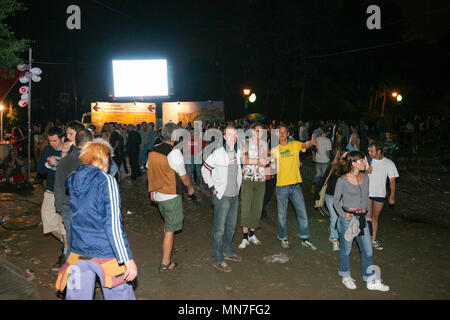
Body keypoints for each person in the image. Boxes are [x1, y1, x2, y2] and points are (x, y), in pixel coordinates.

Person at [56, 139, 137, 299]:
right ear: (104, 159)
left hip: (78, 253)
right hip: (105, 253)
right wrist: (126, 258)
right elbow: (112, 224)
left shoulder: (73, 179)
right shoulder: (107, 181)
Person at [333, 151, 389, 291]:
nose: (365, 163)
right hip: (349, 220)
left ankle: (371, 280)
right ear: (353, 163)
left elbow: (366, 198)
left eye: (364, 160)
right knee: (346, 250)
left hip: (362, 219)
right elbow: (335, 201)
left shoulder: (365, 177)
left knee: (368, 250)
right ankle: (345, 276)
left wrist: (368, 214)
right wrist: (342, 214)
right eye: (362, 161)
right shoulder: (343, 180)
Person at [147, 123, 194, 271]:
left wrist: (151, 191)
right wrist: (190, 187)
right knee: (171, 228)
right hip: (170, 195)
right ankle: (166, 262)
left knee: (168, 223)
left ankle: (168, 247)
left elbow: (150, 171)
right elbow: (183, 176)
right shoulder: (174, 153)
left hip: (158, 194)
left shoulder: (153, 150)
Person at [201, 124, 243, 272]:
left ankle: (228, 250)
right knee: (219, 229)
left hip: (234, 196)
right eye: (229, 135)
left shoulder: (238, 152)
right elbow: (204, 169)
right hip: (222, 196)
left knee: (231, 227)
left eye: (234, 135)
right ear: (225, 137)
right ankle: (218, 258)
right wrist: (212, 188)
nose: (232, 138)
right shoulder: (218, 153)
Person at [270, 124, 318, 250]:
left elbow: (304, 145)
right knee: (282, 215)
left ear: (287, 134)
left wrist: (311, 143)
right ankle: (283, 237)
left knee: (302, 213)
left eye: (284, 132)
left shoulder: (294, 145)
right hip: (281, 187)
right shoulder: (274, 150)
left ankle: (305, 238)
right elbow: (268, 163)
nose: (281, 134)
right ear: (277, 135)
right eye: (279, 132)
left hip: (296, 186)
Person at [54, 129, 93, 260]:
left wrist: (58, 208)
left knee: (71, 240)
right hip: (85, 207)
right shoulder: (91, 160)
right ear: (89, 141)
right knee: (86, 239)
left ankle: (70, 273)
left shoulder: (65, 160)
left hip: (67, 205)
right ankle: (86, 272)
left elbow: (58, 185)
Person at [37, 126, 67, 267]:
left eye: (54, 140)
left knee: (63, 223)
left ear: (62, 138)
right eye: (50, 141)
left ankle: (66, 252)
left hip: (64, 192)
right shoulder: (48, 150)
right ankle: (67, 243)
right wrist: (48, 164)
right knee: (47, 220)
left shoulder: (68, 151)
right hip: (50, 191)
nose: (52, 143)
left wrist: (57, 163)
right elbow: (40, 170)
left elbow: (70, 171)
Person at [238, 123, 268, 249]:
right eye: (257, 131)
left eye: (261, 131)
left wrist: (254, 160)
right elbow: (244, 161)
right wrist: (258, 161)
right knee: (246, 206)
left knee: (257, 207)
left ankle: (252, 234)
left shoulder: (264, 145)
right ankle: (245, 237)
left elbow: (266, 162)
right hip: (248, 179)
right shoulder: (244, 143)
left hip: (260, 180)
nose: (259, 133)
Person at [365, 140, 399, 251]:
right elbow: (356, 173)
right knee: (367, 217)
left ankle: (373, 240)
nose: (369, 153)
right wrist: (365, 172)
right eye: (369, 150)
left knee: (375, 217)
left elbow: (392, 180)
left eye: (372, 151)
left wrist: (392, 195)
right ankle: (365, 240)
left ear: (379, 151)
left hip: (380, 194)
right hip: (367, 193)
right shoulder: (366, 160)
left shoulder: (389, 163)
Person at [315, 147, 349, 251]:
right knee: (334, 217)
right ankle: (335, 240)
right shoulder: (332, 167)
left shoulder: (349, 168)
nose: (347, 158)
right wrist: (317, 194)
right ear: (340, 156)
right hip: (330, 196)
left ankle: (333, 232)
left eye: (349, 156)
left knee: (340, 217)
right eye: (345, 156)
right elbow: (323, 180)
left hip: (343, 196)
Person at [312, 128, 332, 193]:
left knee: (318, 174)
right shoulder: (328, 140)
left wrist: (314, 156)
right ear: (325, 133)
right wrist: (330, 158)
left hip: (318, 160)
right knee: (324, 175)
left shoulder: (316, 139)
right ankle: (322, 189)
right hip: (325, 161)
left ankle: (313, 186)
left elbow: (313, 149)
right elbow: (328, 152)